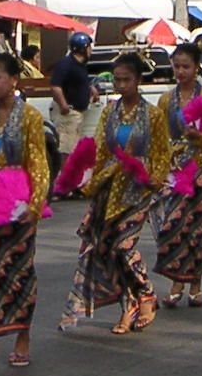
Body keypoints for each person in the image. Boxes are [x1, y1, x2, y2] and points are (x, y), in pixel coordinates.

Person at [61, 52, 168, 334]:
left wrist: (154, 180)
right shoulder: (110, 112)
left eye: (126, 80)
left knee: (124, 245)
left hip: (138, 188)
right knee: (109, 248)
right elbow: (99, 149)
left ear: (138, 80)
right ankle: (128, 305)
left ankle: (146, 293)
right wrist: (88, 180)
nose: (121, 85)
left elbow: (161, 153)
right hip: (111, 186)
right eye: (117, 80)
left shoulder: (153, 115)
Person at [0, 52, 50, 370]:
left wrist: (35, 204)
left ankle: (22, 336)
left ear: (14, 80)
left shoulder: (30, 117)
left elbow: (38, 163)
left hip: (21, 203)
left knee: (19, 271)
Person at [153, 41, 202, 307]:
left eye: (186, 66)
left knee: (197, 230)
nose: (181, 72)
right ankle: (176, 281)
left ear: (196, 68)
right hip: (174, 172)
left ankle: (195, 284)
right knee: (173, 227)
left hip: (201, 171)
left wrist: (201, 136)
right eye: (177, 66)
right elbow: (159, 138)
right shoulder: (166, 100)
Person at [49, 31, 98, 155]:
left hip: (77, 114)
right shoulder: (66, 64)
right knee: (67, 149)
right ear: (82, 48)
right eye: (89, 47)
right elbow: (55, 86)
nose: (91, 50)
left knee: (74, 148)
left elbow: (78, 82)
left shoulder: (80, 65)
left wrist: (90, 88)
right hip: (68, 114)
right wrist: (63, 105)